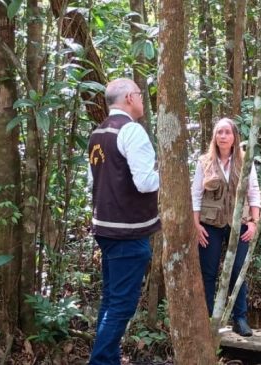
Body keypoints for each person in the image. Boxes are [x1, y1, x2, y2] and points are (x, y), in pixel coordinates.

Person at [87, 78, 161, 365]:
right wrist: (172, 175)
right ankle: (102, 360)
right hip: (127, 232)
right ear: (130, 97)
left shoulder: (98, 133)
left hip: (105, 228)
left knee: (110, 300)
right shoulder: (131, 131)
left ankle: (108, 359)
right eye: (140, 96)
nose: (142, 101)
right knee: (121, 305)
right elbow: (145, 182)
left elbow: (93, 181)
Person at [191, 118, 261, 337]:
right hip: (209, 224)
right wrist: (195, 225)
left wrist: (253, 222)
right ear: (214, 136)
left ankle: (239, 318)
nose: (222, 136)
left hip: (238, 224)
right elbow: (195, 194)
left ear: (234, 137)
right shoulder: (204, 162)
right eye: (219, 132)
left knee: (236, 271)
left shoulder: (245, 161)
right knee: (209, 272)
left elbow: (254, 191)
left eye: (227, 132)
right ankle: (208, 319)